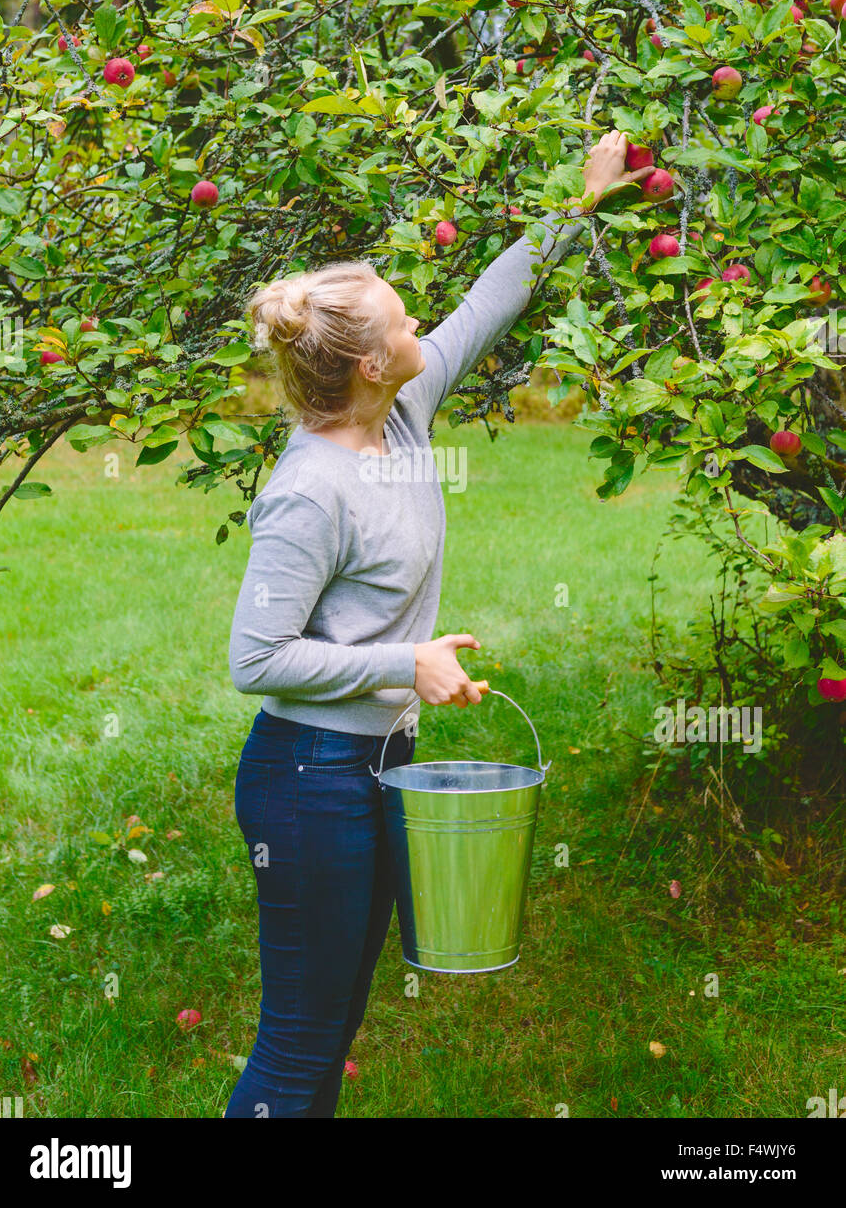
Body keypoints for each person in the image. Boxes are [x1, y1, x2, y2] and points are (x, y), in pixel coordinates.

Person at [224, 131, 651, 1118]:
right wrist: (402, 662)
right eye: (400, 316)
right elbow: (255, 657)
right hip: (305, 783)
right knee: (295, 1051)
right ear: (372, 362)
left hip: (366, 771)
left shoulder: (400, 413)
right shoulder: (311, 488)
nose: (423, 318)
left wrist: (580, 205)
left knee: (328, 1035)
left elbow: (487, 303)